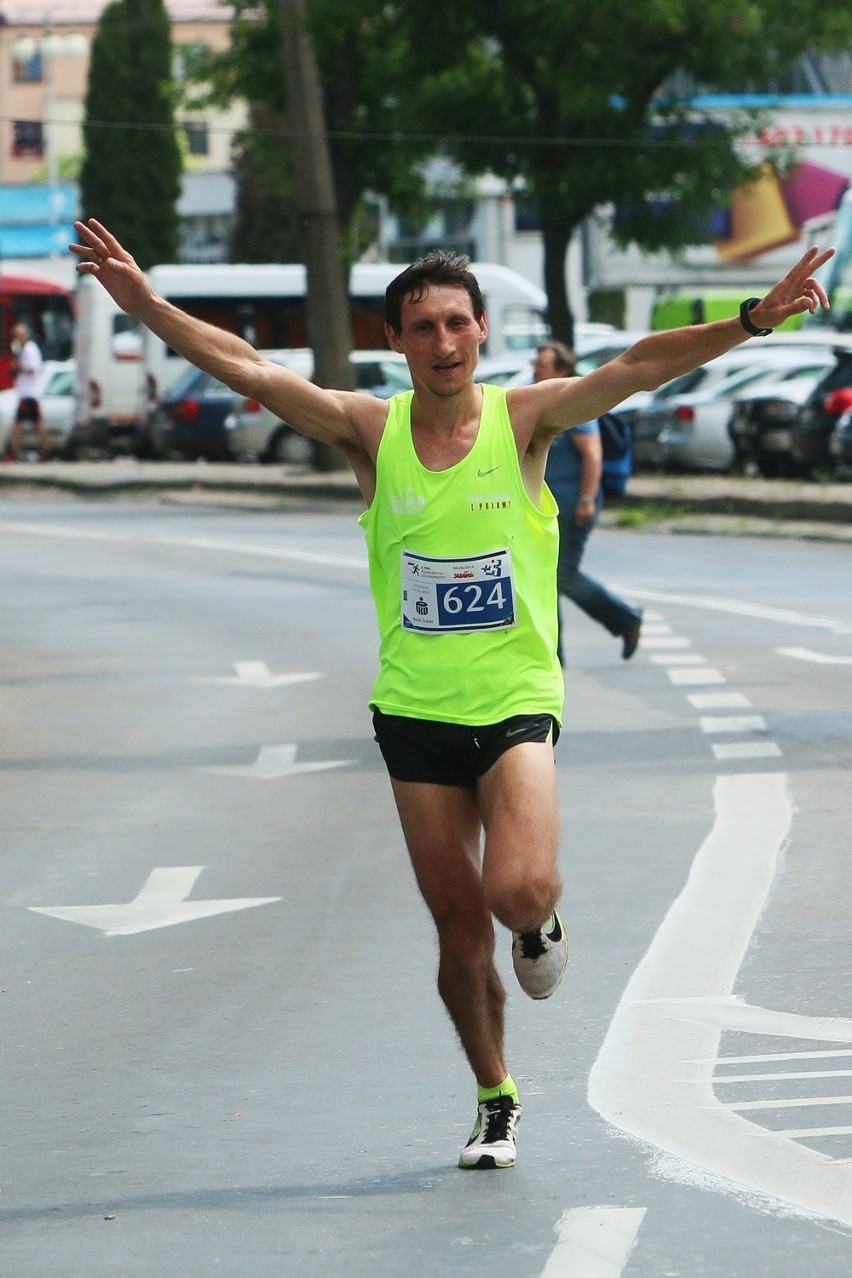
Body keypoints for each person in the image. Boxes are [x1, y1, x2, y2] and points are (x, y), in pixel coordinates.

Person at [69, 220, 833, 1171]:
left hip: (514, 700)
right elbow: (252, 371)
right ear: (398, 341)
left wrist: (752, 320)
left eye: (457, 325)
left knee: (514, 891)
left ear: (481, 333)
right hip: (414, 714)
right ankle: (495, 1093)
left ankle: (542, 920)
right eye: (422, 327)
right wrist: (145, 309)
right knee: (458, 925)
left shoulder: (526, 422)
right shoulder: (372, 430)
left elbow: (637, 366)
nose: (442, 343)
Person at [535, 341, 643, 664]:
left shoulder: (573, 400)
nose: (536, 369)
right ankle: (553, 653)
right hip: (550, 506)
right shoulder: (545, 399)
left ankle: (624, 618)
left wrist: (585, 500)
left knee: (561, 575)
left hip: (571, 504)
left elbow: (593, 455)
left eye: (542, 364)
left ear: (562, 370)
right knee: (547, 576)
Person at [5, 321, 50, 461]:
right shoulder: (23, 349)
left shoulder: (30, 349)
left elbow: (34, 369)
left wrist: (18, 369)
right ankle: (17, 452)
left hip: (30, 394)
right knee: (22, 425)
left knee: (33, 425)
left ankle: (45, 451)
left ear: (24, 335)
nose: (16, 339)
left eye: (17, 335)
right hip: (25, 393)